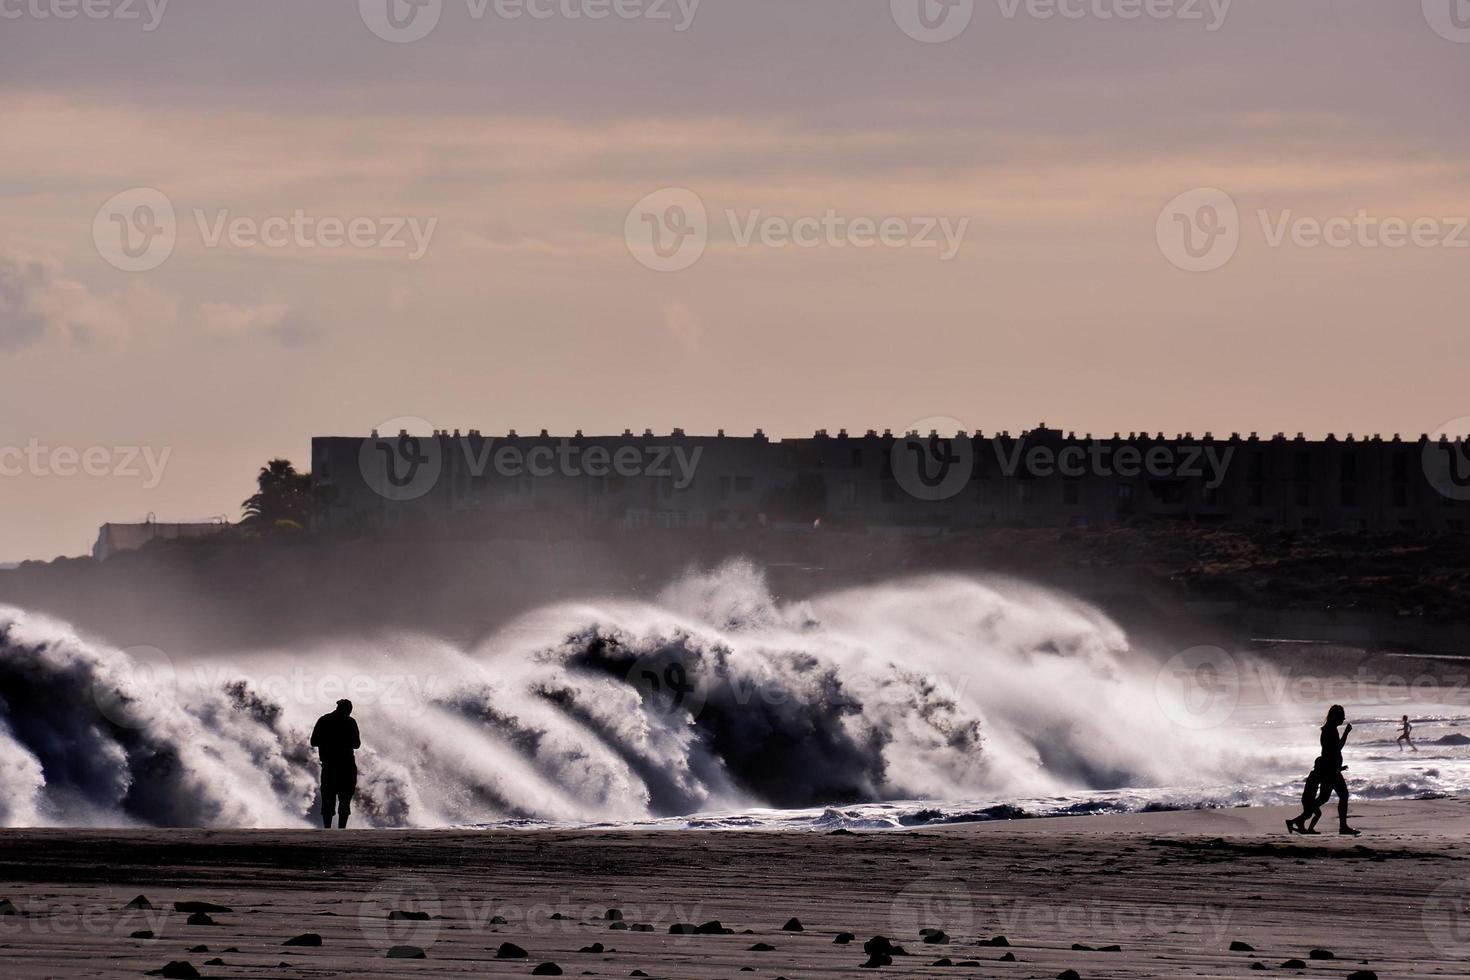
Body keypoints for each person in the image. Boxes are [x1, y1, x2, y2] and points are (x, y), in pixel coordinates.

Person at [310, 699, 361, 829]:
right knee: (342, 799)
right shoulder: (350, 722)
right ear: (347, 710)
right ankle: (340, 829)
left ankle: (329, 829)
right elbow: (356, 744)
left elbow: (314, 741)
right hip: (344, 766)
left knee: (330, 798)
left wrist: (328, 741)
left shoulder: (324, 720)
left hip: (331, 766)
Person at [1317, 704, 1359, 836]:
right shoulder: (1331, 730)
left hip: (1331, 768)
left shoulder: (1328, 729)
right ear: (1336, 717)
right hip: (1331, 770)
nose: (1343, 718)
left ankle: (1298, 820)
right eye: (1342, 716)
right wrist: (1346, 733)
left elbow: (1329, 751)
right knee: (1344, 795)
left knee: (1323, 798)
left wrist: (1339, 766)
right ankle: (1343, 827)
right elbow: (1336, 748)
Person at [1285, 757, 1328, 835]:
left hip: (1307, 798)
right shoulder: (1316, 774)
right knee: (1317, 814)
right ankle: (1309, 828)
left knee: (1307, 814)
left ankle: (1295, 824)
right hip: (1309, 799)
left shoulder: (1314, 773)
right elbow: (1324, 779)